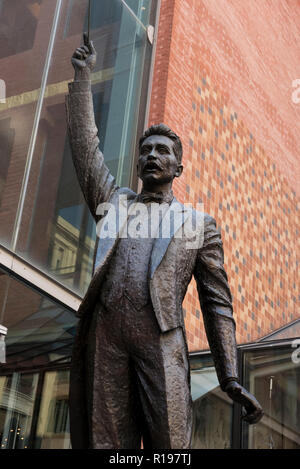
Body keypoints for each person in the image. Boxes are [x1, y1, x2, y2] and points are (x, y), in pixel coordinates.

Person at [66, 33, 263, 449]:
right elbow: (86, 150)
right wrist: (83, 79)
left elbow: (217, 303)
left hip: (162, 339)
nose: (152, 155)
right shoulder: (115, 202)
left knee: (170, 444)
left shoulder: (198, 224)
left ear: (179, 166)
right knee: (107, 444)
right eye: (146, 150)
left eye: (162, 151)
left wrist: (229, 376)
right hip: (107, 336)